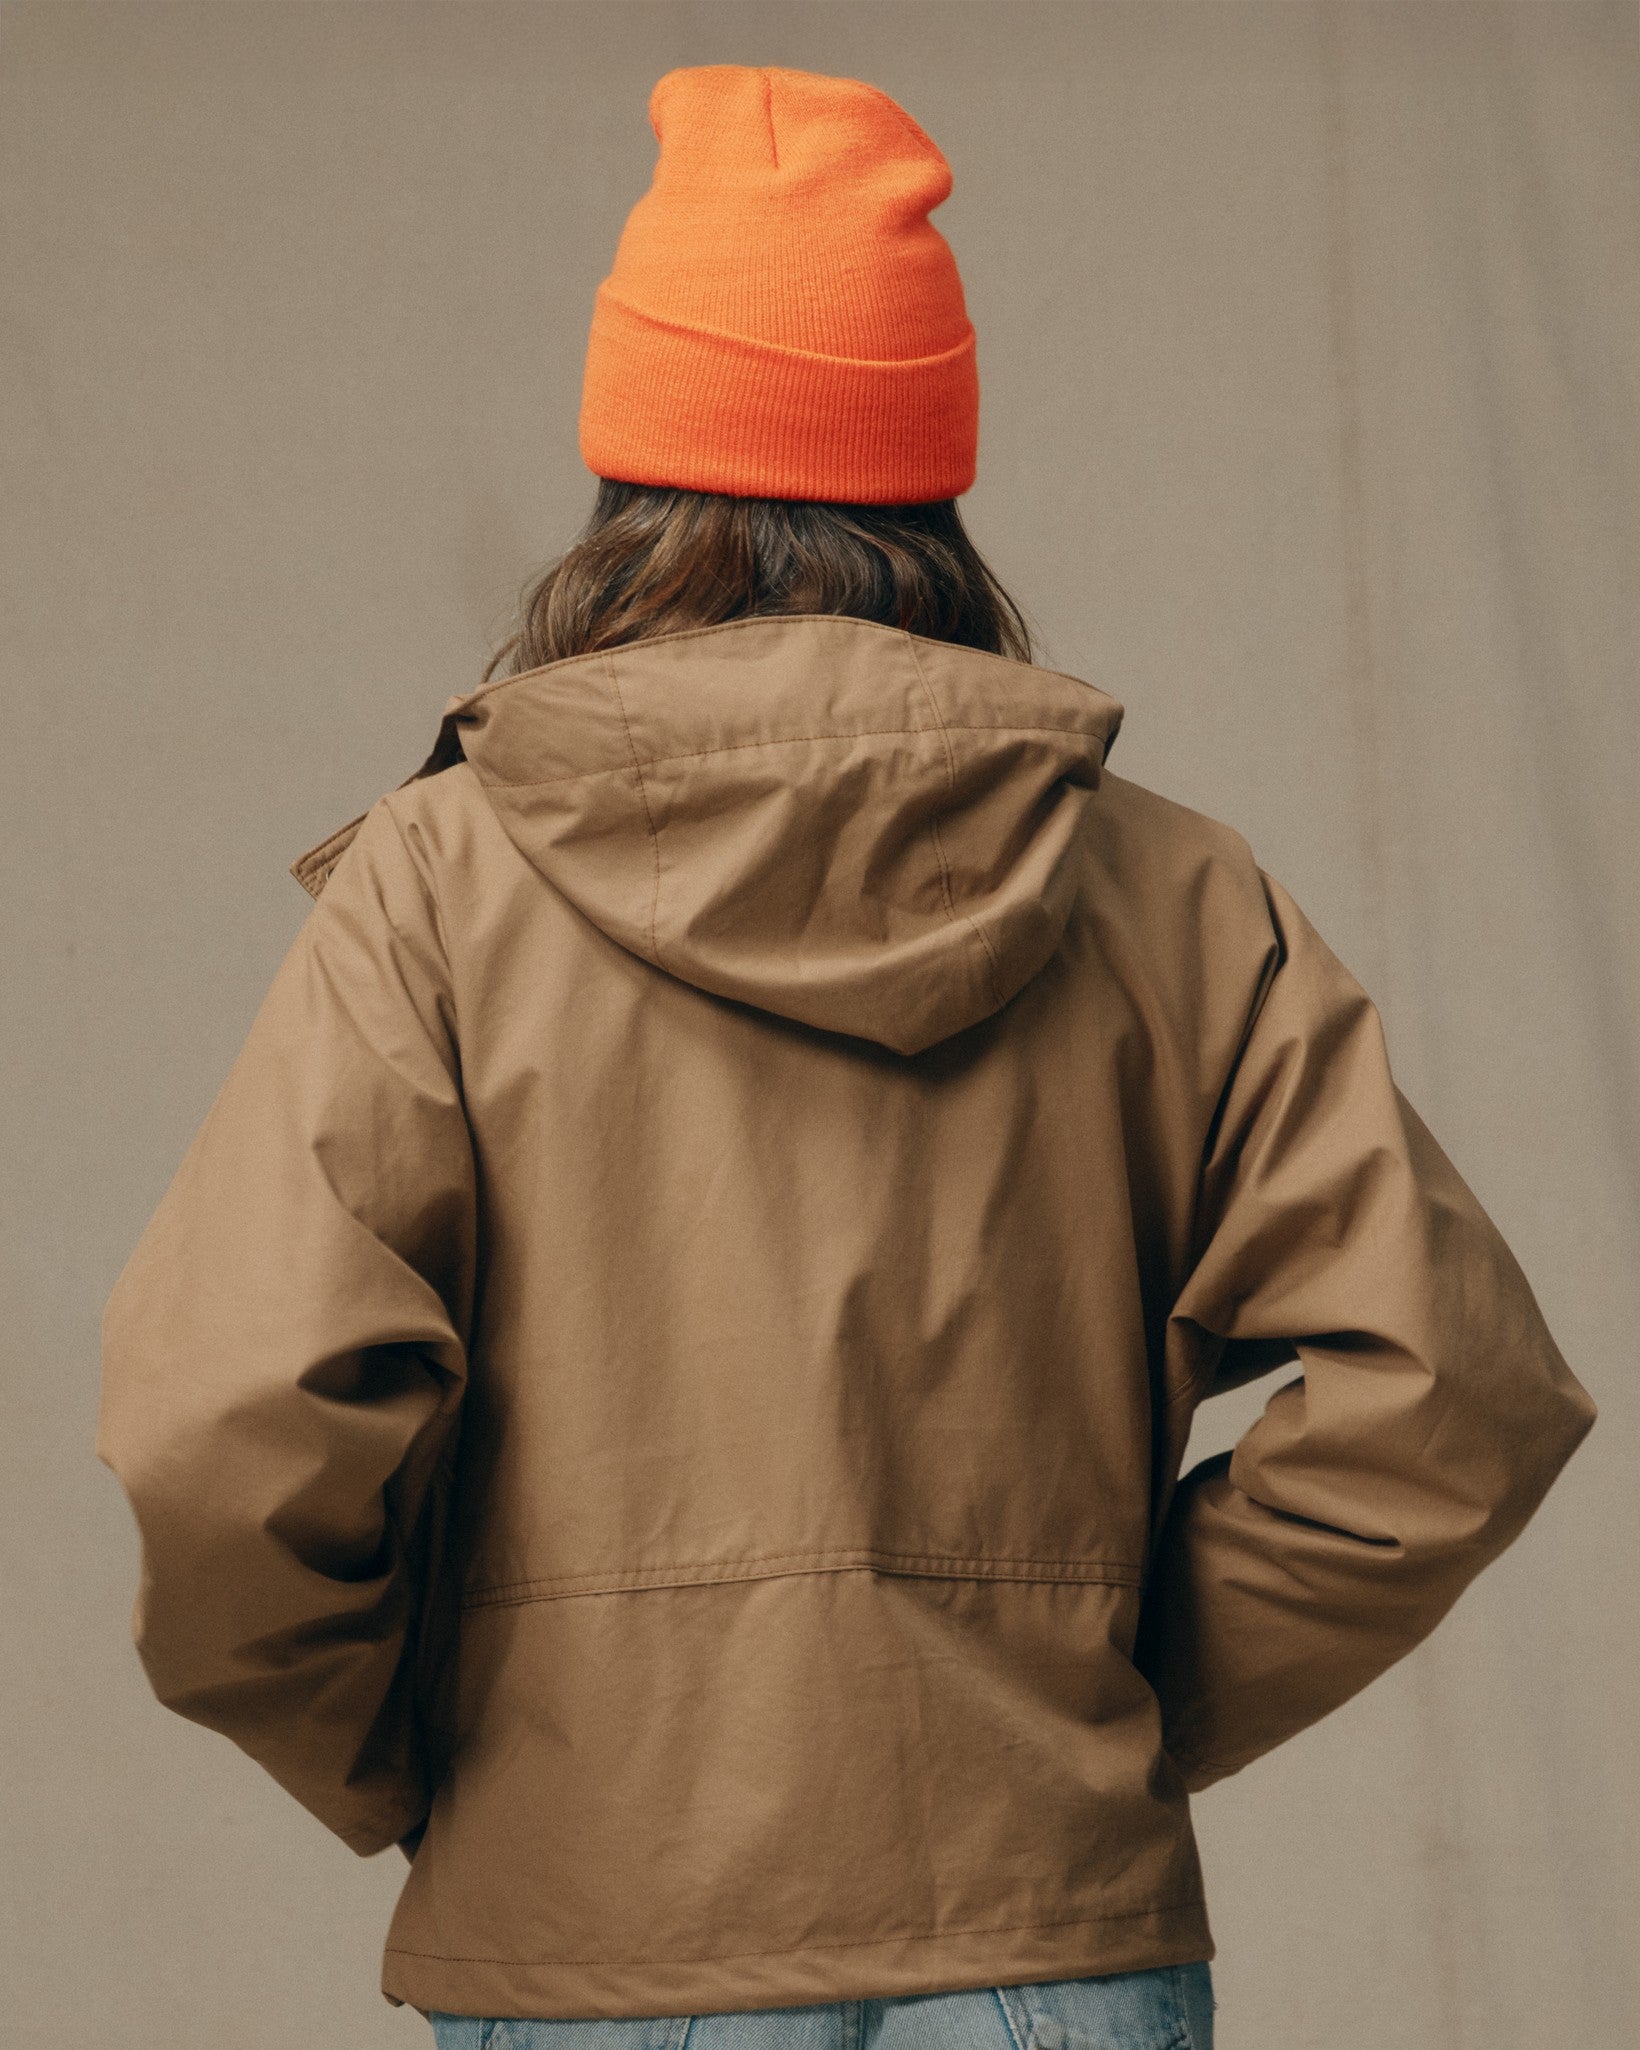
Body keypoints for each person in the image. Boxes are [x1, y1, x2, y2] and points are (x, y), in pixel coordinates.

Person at [95, 62, 1596, 2050]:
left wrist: (419, 1751)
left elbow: (224, 1430)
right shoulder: (1171, 894)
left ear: (631, 463)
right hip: (1048, 1938)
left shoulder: (441, 891)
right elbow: (1455, 1397)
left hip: (596, 1934)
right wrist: (1089, 1696)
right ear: (925, 464)